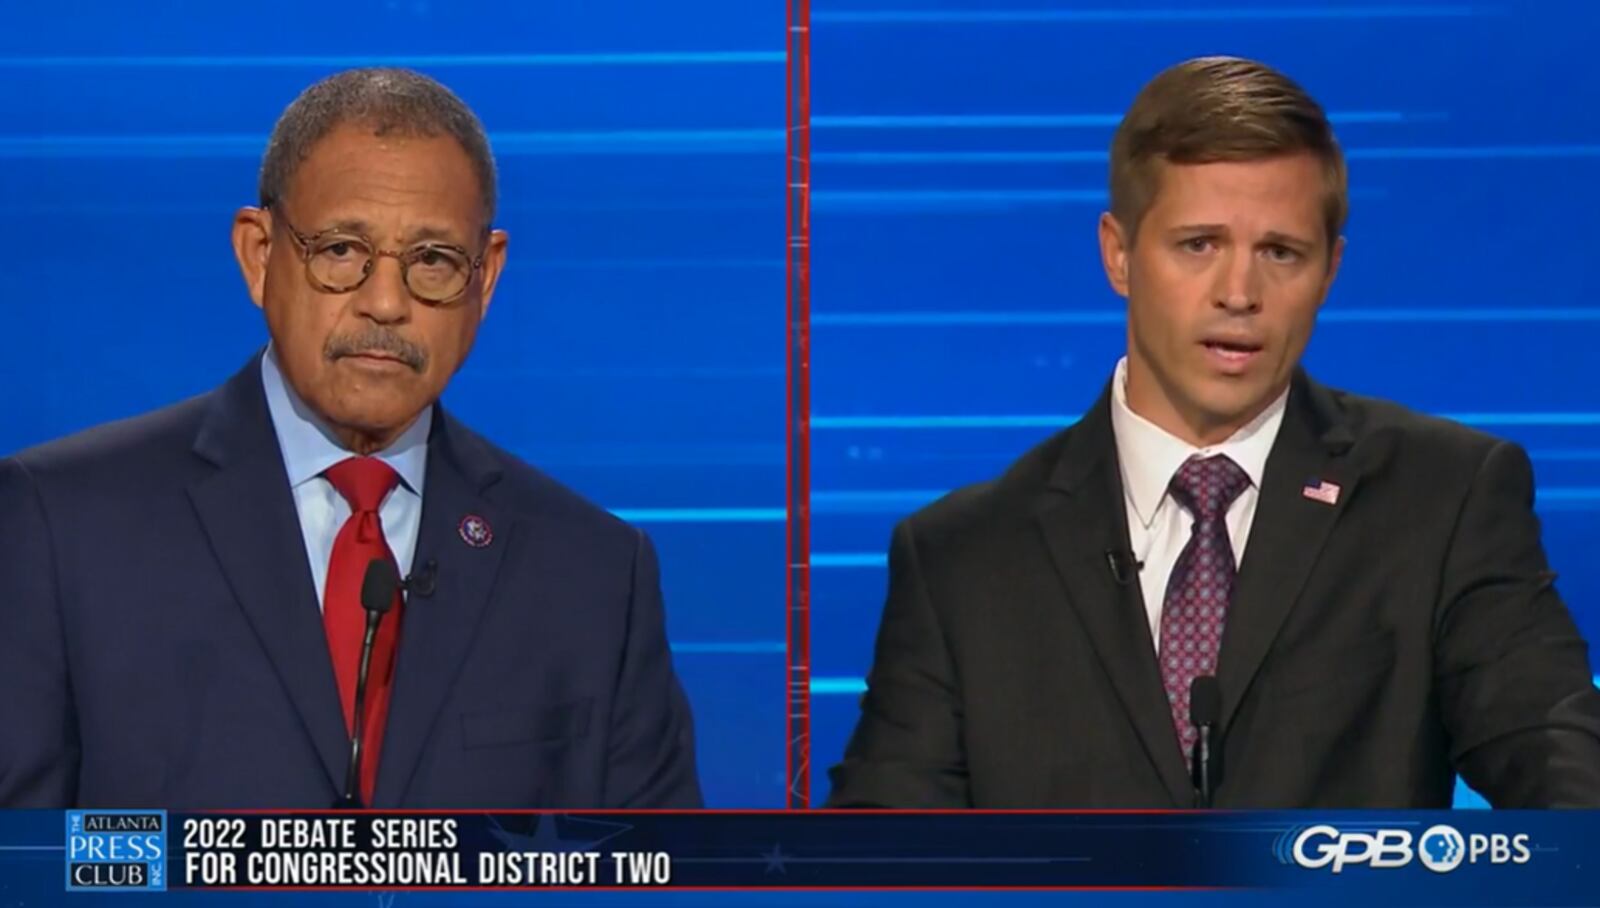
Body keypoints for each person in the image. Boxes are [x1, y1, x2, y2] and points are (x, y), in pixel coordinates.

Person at [827, 56, 1600, 808]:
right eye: (1199, 245)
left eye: (1280, 253)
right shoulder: (963, 560)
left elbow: (1562, 767)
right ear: (1119, 255)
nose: (1240, 292)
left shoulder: (1443, 499)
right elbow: (887, 859)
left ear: (1329, 271)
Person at [0, 68, 701, 808]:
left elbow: (657, 874)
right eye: (341, 250)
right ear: (259, 255)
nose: (387, 303)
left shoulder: (593, 575)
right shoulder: (61, 526)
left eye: (433, 261)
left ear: (485, 279)